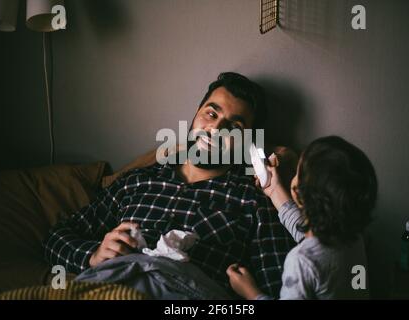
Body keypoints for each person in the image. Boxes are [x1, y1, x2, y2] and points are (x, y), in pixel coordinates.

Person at [43, 72, 296, 298]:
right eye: (211, 113)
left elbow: (284, 287)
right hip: (109, 288)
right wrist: (92, 255)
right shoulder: (137, 181)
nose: (215, 129)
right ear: (196, 114)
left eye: (234, 127)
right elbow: (56, 237)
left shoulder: (254, 202)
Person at [227, 136, 377, 299]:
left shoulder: (302, 262)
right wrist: (274, 189)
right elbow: (304, 231)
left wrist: (251, 293)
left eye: (297, 171)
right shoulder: (355, 240)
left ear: (298, 193)